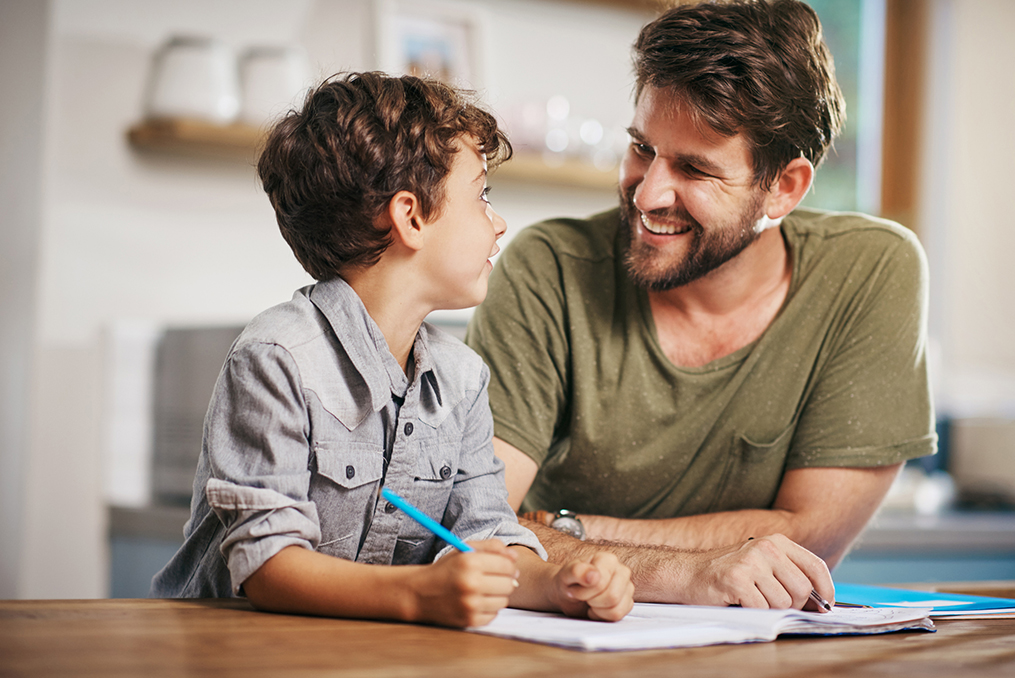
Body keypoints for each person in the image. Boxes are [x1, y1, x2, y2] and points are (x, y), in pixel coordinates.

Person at [465, 0, 935, 605]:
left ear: (783, 188)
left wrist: (561, 529)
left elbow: (807, 540)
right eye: (641, 149)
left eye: (695, 169)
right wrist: (693, 571)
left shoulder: (871, 272)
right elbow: (480, 531)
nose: (649, 192)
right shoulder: (548, 268)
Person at [149, 72, 635, 628]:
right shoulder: (277, 357)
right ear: (410, 217)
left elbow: (487, 537)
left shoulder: (462, 378)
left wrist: (562, 585)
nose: (498, 223)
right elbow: (269, 565)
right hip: (228, 653)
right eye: (481, 196)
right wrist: (419, 594)